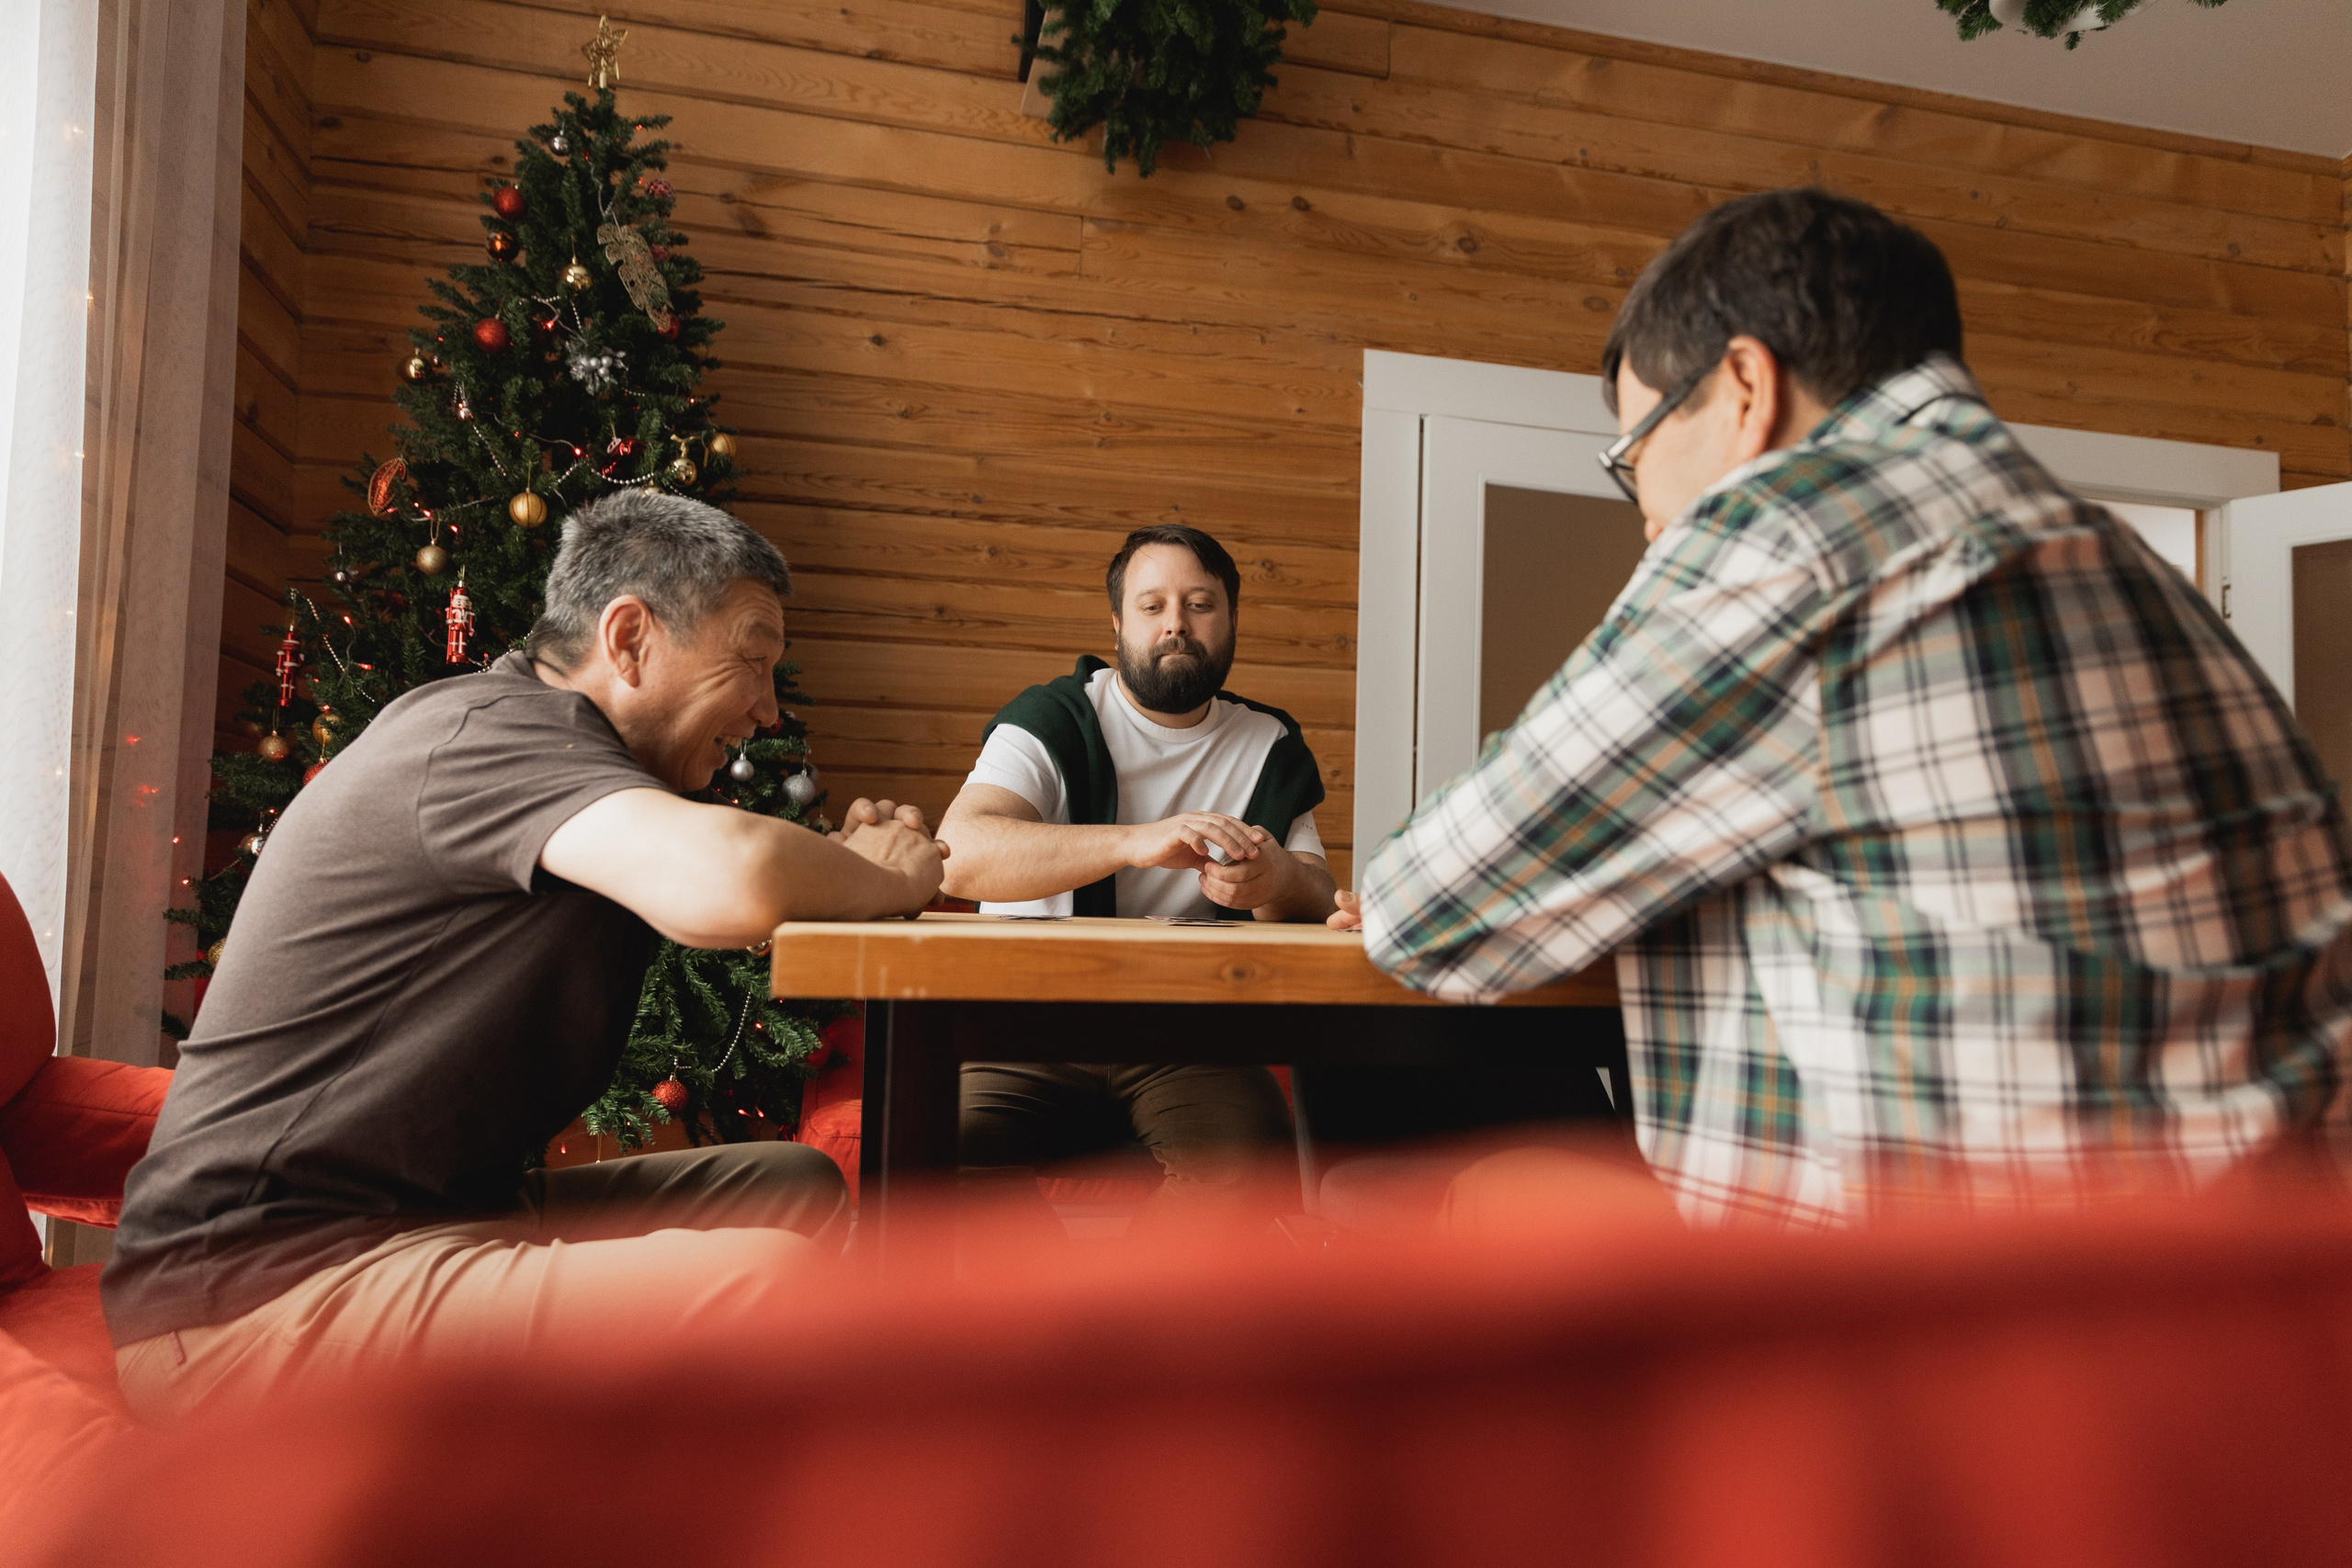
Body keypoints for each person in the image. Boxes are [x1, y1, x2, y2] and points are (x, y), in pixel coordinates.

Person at [1338, 186, 2352, 1226]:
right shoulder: (2118, 554)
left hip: (1979, 1295)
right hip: (2280, 1276)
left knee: (1440, 1196)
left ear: (1744, 387)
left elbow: (1429, 909)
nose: (1646, 514)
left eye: (1634, 455)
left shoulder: (1793, 530)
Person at [105, 492, 947, 1416]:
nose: (769, 709)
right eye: (752, 659)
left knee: (792, 1187)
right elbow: (735, 880)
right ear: (629, 639)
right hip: (254, 1289)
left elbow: (738, 869)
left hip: (437, 1220)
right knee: (775, 1281)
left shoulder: (560, 754)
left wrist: (850, 868)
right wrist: (887, 876)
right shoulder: (489, 734)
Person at [933, 525, 1335, 1222]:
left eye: (1200, 604)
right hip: (1025, 1028)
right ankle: (1048, 1296)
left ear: (1232, 620)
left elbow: (1317, 896)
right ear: (1118, 623)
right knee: (939, 1151)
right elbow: (960, 855)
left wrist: (1275, 882)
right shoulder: (1051, 717)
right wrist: (1136, 842)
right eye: (1153, 606)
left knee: (1254, 1167)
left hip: (1186, 1039)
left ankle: (1132, 1296)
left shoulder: (1268, 741)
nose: (1176, 624)